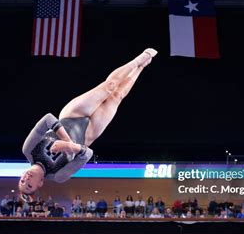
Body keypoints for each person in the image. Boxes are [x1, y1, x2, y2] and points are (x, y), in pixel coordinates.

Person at [18, 49, 158, 200]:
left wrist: (66, 140)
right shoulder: (59, 175)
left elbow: (48, 119)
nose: (26, 178)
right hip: (89, 133)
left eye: (22, 181)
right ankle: (141, 67)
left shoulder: (29, 150)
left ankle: (140, 58)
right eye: (29, 185)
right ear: (40, 184)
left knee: (109, 86)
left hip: (71, 115)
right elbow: (88, 155)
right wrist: (70, 147)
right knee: (117, 96)